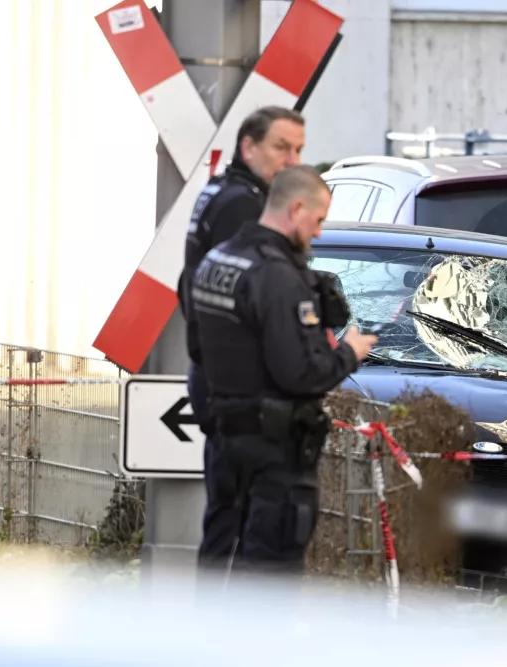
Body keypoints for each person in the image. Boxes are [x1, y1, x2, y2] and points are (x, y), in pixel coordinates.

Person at [190, 165, 378, 577]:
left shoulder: (217, 259)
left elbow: (201, 346)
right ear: (295, 209)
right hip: (274, 450)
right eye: (318, 219)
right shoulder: (276, 277)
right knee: (269, 572)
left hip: (225, 438)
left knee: (220, 551)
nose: (319, 233)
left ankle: (204, 639)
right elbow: (300, 373)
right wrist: (349, 352)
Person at [176, 106, 305, 572]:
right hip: (234, 387)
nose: (291, 161)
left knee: (226, 517)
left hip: (215, 378)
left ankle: (214, 630)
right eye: (280, 147)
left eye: (299, 150)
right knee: (243, 527)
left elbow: (187, 287)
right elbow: (238, 303)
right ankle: (225, 634)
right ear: (248, 146)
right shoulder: (244, 206)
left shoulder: (221, 191)